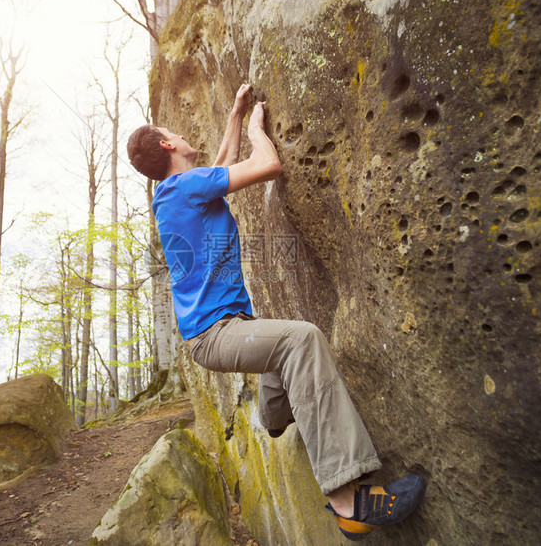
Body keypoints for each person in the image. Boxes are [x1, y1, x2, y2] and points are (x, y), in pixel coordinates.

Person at [127, 83, 425, 540]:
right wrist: (255, 130)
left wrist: (232, 115)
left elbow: (218, 167)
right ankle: (349, 502)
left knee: (278, 339)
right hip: (216, 334)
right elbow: (268, 165)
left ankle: (274, 415)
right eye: (175, 131)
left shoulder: (176, 193)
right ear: (168, 145)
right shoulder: (184, 187)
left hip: (225, 330)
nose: (184, 133)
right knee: (300, 339)